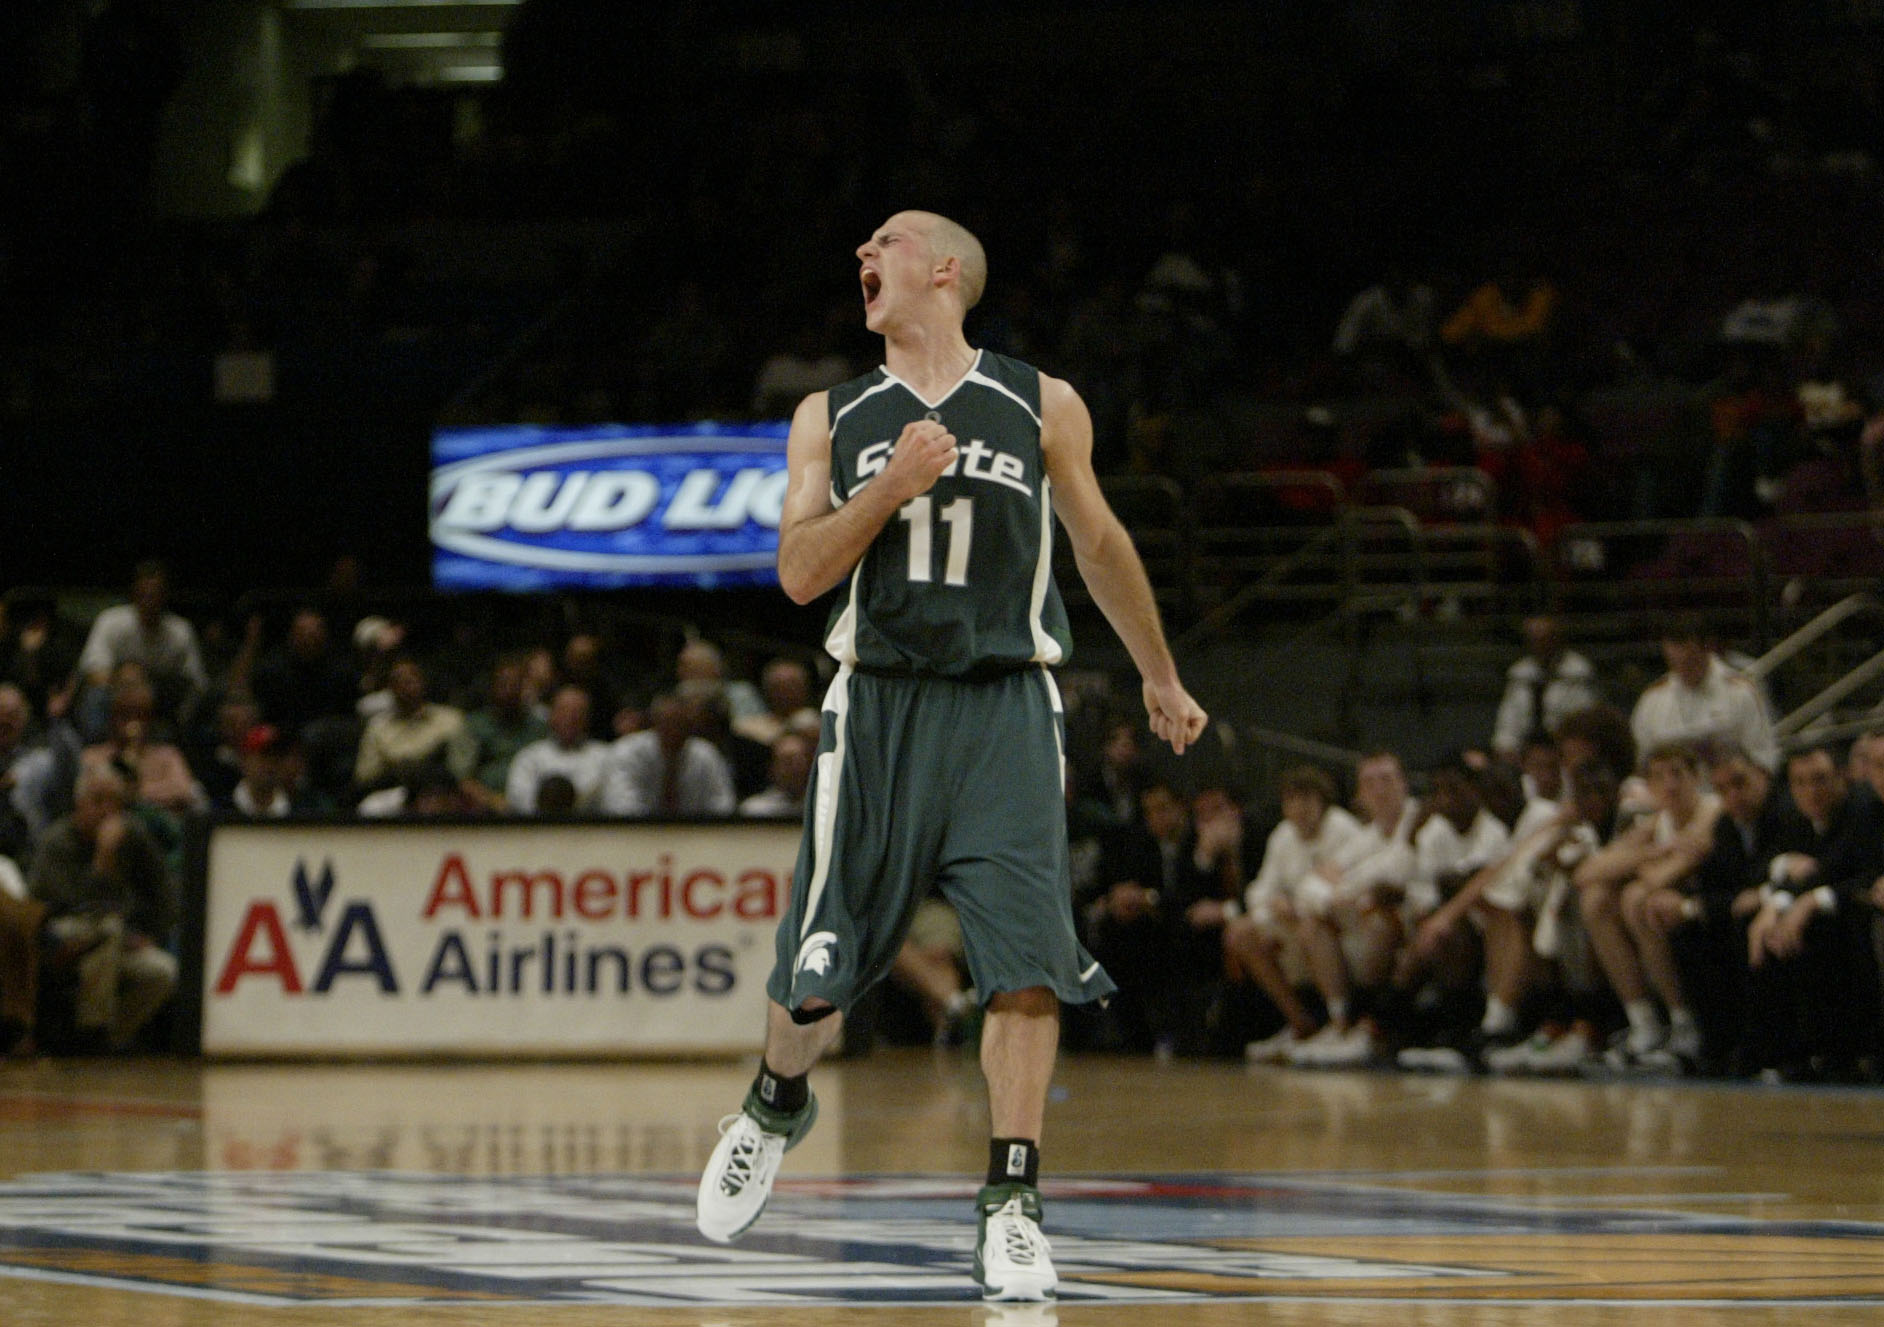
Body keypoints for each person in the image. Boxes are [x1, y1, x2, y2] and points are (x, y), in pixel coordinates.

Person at [694, 210, 1206, 1303]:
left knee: (1027, 960)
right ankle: (776, 1102)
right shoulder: (829, 416)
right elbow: (796, 572)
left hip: (1007, 705)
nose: (862, 257)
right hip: (876, 705)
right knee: (816, 972)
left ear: (944, 272)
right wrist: (888, 488)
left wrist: (1160, 673)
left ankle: (1013, 1199)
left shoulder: (1041, 401)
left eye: (883, 242)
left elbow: (1100, 544)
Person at [1574, 742, 1722, 1067]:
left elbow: (1663, 877)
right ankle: (1644, 1024)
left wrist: (1638, 864)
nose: (1670, 785)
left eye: (1677, 774)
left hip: (1714, 904)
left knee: (1635, 898)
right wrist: (1653, 852)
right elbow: (1585, 873)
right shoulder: (1660, 822)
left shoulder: (1711, 811)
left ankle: (1685, 1024)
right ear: (1650, 786)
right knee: (1595, 900)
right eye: (1659, 777)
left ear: (1697, 778)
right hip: (1670, 907)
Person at [28, 765, 178, 1050]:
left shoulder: (132, 836)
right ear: (79, 803)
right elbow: (74, 905)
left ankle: (106, 1042)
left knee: (163, 972)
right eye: (98, 801)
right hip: (59, 937)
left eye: (115, 802)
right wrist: (102, 861)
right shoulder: (57, 842)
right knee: (106, 929)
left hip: (116, 938)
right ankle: (89, 1031)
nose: (107, 810)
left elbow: (163, 891)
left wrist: (150, 934)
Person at [1630, 618, 1778, 773]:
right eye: (1675, 663)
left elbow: (1763, 757)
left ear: (1707, 650)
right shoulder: (1652, 700)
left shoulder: (1740, 693)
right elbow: (1640, 763)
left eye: (1690, 662)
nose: (1683, 670)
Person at [600, 690, 736, 817]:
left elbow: (723, 805)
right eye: (669, 723)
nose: (675, 731)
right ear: (654, 723)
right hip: (638, 835)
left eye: (681, 724)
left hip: (695, 835)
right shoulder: (627, 752)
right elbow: (621, 807)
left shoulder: (706, 754)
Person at [1491, 616, 1602, 758]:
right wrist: (1505, 748)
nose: (1540, 645)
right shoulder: (1519, 672)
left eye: (1545, 639)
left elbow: (1583, 722)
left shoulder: (1579, 671)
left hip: (1565, 749)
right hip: (1524, 751)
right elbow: (1507, 721)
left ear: (1558, 640)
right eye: (1534, 640)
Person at [505, 686, 610, 815]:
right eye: (564, 710)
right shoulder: (529, 757)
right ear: (551, 715)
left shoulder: (606, 757)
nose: (570, 717)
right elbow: (519, 802)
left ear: (587, 718)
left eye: (578, 711)